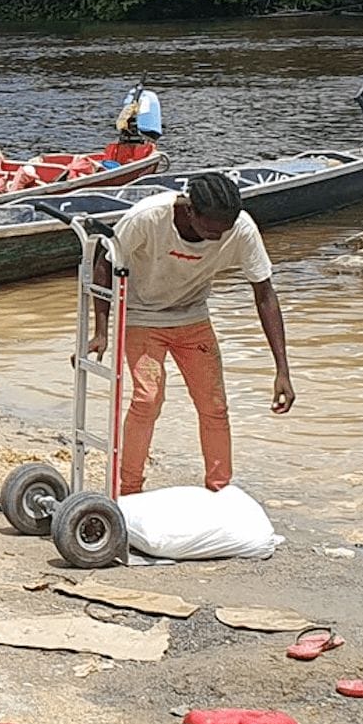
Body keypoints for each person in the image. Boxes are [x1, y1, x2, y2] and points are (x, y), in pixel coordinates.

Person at [87, 172, 295, 495]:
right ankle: (129, 489)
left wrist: (282, 369)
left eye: (223, 231)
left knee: (214, 405)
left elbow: (265, 294)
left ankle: (219, 489)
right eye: (210, 231)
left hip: (192, 315)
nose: (217, 238)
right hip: (143, 315)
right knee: (147, 399)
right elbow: (104, 263)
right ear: (190, 211)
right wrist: (101, 330)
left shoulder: (240, 228)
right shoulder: (147, 218)